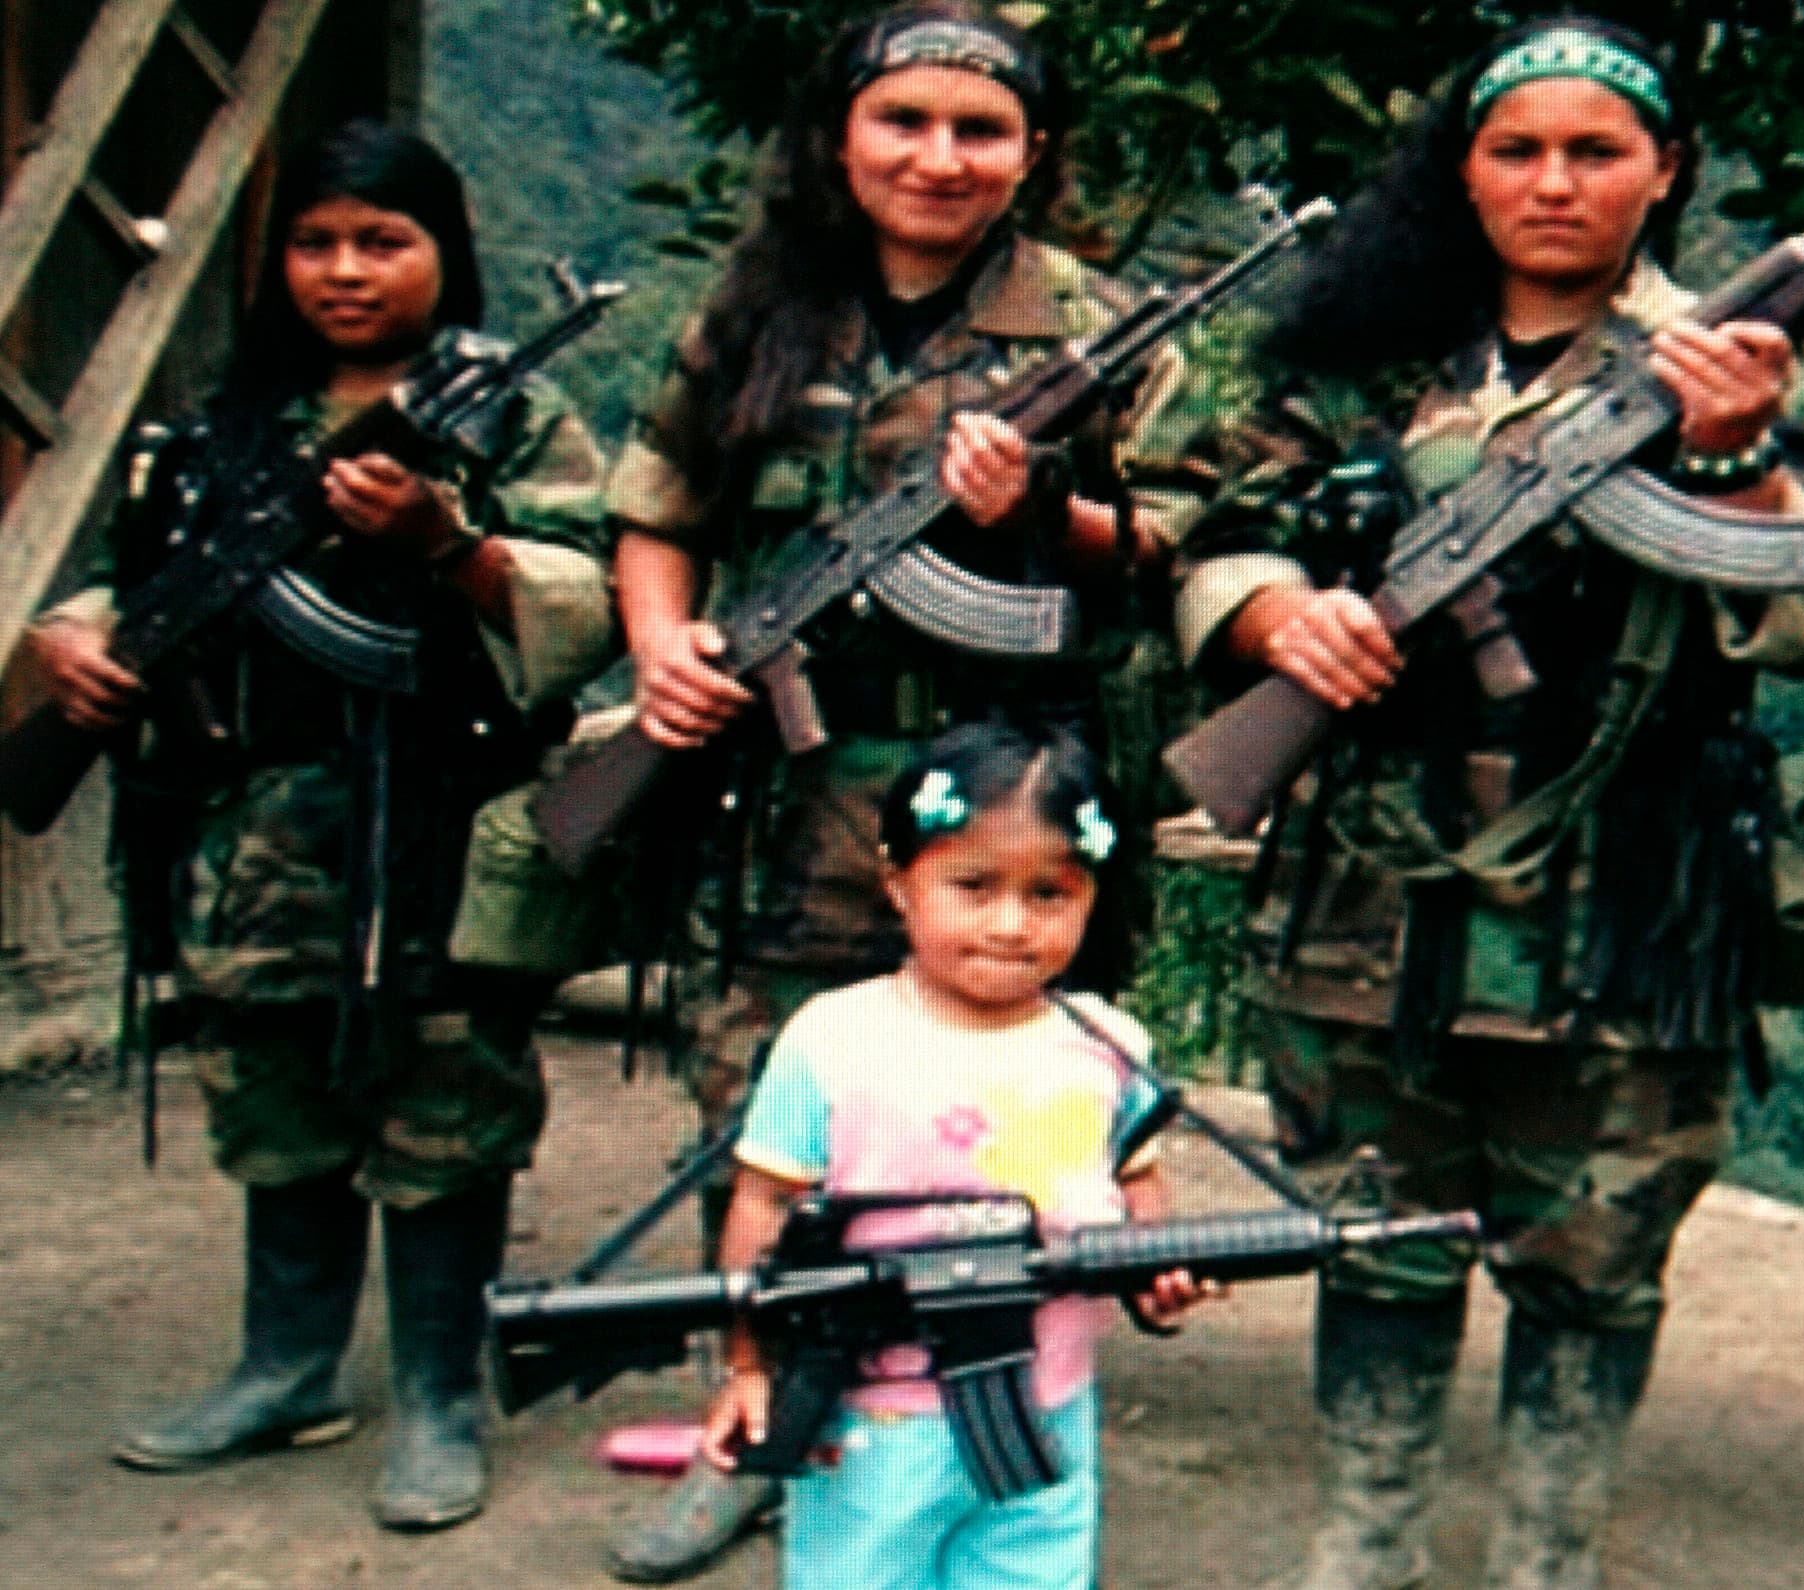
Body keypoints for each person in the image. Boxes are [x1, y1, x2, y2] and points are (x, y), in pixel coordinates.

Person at [1169, 18, 1804, 1587]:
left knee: (1592, 1275)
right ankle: (1359, 1552)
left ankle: (1545, 1561)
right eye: (1517, 149)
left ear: (1664, 173)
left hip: (1624, 918)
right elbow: (1212, 523)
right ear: (1467, 169)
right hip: (1372, 898)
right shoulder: (1376, 349)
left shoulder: (1730, 364)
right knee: (1378, 1251)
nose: (1553, 183)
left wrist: (1740, 461)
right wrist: (1274, 616)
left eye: (1595, 151)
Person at [595, 6, 1195, 1578]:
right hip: (789, 799)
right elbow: (658, 503)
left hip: (1002, 820)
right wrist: (663, 652)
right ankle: (760, 1422)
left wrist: (1047, 510)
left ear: (1034, 152)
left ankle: (987, 1434)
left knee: (996, 1134)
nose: (940, 157)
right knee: (770, 1126)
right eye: (903, 122)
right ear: (841, 136)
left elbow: (1178, 551)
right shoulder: (756, 312)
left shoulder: (1099, 329)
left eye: (980, 130)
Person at [16, 120, 610, 1529]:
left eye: (382, 241)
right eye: (315, 241)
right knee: (271, 1088)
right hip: (255, 829)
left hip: (441, 817)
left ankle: (440, 1395)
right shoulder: (213, 428)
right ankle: (285, 1368)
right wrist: (75, 637)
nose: (345, 270)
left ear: (441, 253)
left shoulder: (510, 414)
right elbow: (132, 572)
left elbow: (581, 597)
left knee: (446, 1093)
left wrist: (445, 542)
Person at [697, 721, 1208, 1590]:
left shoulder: (1109, 1045)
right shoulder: (832, 1039)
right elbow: (762, 1211)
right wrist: (749, 1366)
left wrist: (1157, 1280)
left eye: (1051, 894)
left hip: (1047, 1404)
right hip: (871, 1418)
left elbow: (1135, 1182)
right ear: (900, 884)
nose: (1010, 925)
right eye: (972, 885)